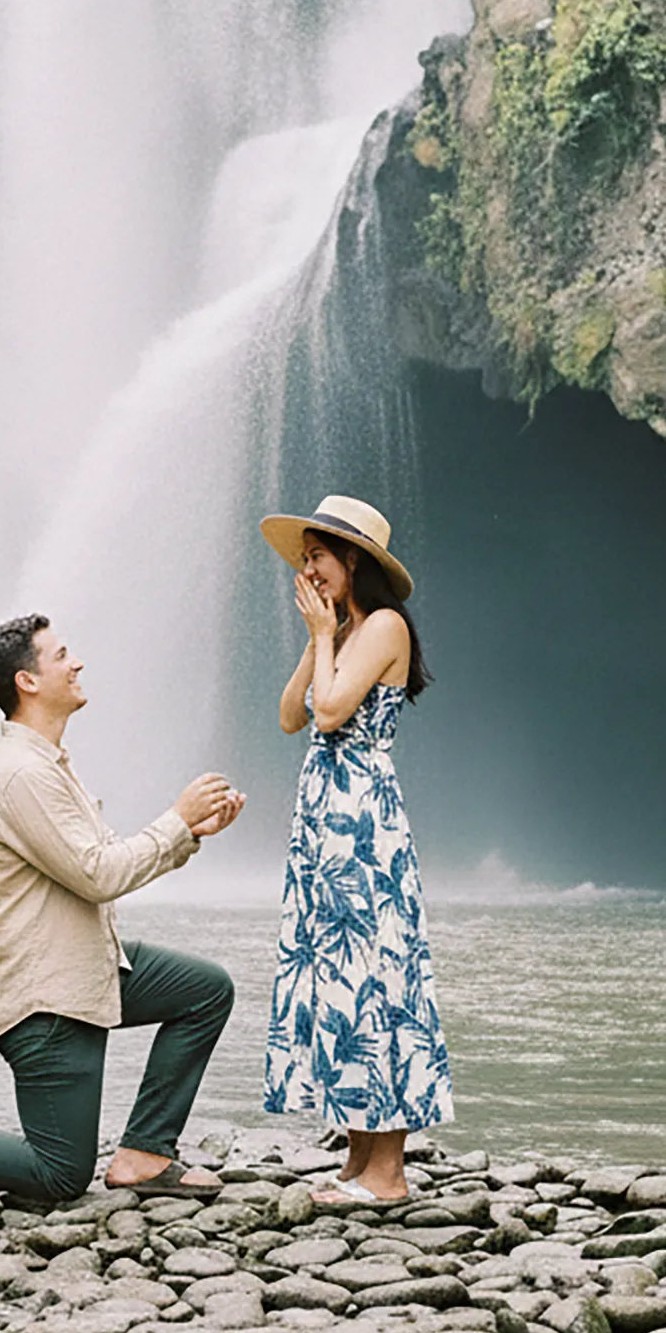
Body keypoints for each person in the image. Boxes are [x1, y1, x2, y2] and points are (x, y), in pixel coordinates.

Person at [0, 612, 246, 1208]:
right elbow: (98, 875)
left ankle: (145, 1153)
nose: (76, 662)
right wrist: (175, 820)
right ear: (27, 682)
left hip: (86, 966)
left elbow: (100, 861)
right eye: (60, 655)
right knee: (59, 1175)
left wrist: (189, 834)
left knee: (204, 990)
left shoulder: (49, 764)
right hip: (45, 995)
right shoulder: (21, 775)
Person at [259, 493, 454, 1205]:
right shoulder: (345, 630)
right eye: (304, 556)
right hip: (327, 819)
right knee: (340, 977)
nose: (306, 567)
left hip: (361, 821)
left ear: (353, 562)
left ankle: (387, 1173)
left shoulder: (384, 625)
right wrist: (319, 634)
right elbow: (290, 716)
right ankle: (357, 1155)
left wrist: (324, 639)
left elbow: (334, 711)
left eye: (316, 556)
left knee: (375, 978)